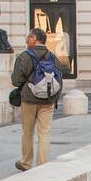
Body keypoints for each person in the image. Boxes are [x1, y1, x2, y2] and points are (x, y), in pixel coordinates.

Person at [12, 28, 62, 171]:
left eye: (28, 37)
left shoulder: (24, 56)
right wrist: (54, 98)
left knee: (28, 132)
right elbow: (60, 79)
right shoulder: (53, 57)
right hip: (48, 101)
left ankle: (26, 162)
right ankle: (43, 164)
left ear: (34, 39)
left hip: (29, 100)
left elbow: (16, 80)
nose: (26, 40)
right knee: (44, 133)